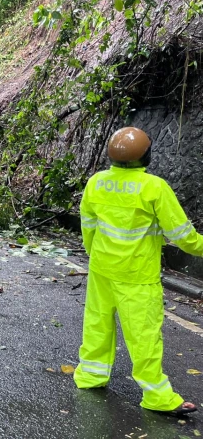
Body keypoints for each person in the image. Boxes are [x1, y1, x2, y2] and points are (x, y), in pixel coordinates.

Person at [75, 126, 201, 416]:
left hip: (102, 269)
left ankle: (90, 376)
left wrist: (96, 256)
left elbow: (89, 226)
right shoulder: (153, 187)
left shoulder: (96, 182)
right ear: (147, 156)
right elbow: (182, 236)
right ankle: (157, 397)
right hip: (137, 276)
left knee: (97, 324)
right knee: (144, 336)